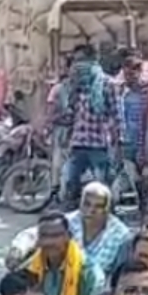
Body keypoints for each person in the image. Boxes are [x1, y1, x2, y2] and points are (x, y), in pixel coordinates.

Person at [53, 45, 122, 203]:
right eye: (76, 61)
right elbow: (71, 113)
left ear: (93, 60)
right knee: (70, 181)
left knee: (102, 187)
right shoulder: (76, 85)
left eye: (82, 60)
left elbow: (116, 115)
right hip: (78, 142)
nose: (78, 64)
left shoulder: (107, 84)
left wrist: (118, 142)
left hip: (100, 143)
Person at [20, 212, 100, 295]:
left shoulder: (88, 271)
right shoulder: (30, 268)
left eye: (56, 236)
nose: (49, 242)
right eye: (44, 236)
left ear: (69, 236)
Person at [68, 182, 133, 282]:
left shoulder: (121, 235)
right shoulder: (66, 223)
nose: (91, 210)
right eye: (87, 204)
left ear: (107, 209)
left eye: (98, 206)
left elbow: (118, 275)